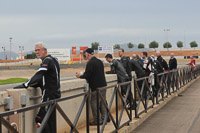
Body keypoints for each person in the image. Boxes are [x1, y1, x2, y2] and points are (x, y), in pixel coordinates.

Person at [14, 42, 61, 133]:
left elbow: (39, 75)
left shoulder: (47, 61)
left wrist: (25, 85)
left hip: (49, 96)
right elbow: (45, 78)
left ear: (45, 50)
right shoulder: (55, 60)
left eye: (38, 50)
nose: (36, 52)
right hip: (55, 95)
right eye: (35, 50)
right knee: (51, 121)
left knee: (40, 119)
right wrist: (34, 84)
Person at [76, 48, 107, 125]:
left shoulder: (90, 63)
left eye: (85, 54)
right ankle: (105, 119)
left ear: (87, 54)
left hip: (96, 87)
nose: (84, 55)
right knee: (102, 103)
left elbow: (88, 75)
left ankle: (98, 121)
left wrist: (80, 76)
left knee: (94, 104)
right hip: (103, 85)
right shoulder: (99, 61)